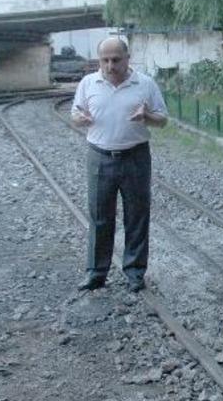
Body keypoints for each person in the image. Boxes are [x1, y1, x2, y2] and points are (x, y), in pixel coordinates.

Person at [71, 38, 168, 293]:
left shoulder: (144, 84)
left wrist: (147, 116)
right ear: (99, 60)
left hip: (135, 157)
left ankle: (135, 272)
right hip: (99, 157)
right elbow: (75, 113)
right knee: (99, 216)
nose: (110, 65)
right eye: (105, 60)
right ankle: (96, 273)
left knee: (137, 216)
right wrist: (80, 119)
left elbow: (162, 120)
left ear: (127, 58)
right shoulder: (88, 83)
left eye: (116, 59)